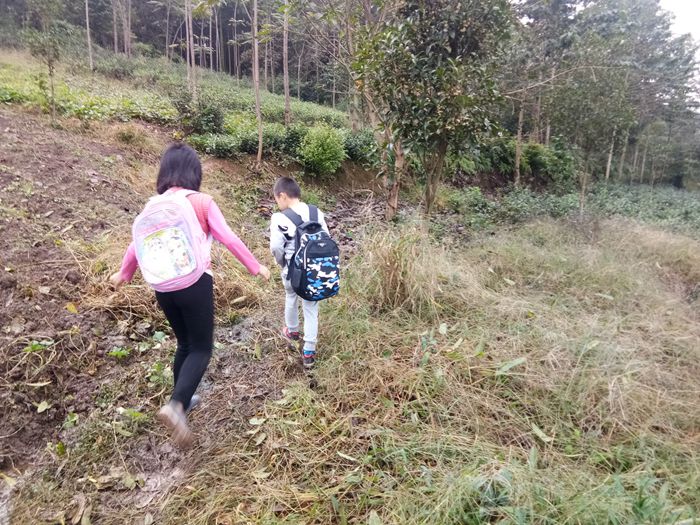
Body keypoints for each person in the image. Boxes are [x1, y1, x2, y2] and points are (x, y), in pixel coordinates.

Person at [110, 142, 271, 448]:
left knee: (184, 343)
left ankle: (182, 400)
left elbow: (135, 245)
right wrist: (255, 266)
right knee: (201, 348)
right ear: (194, 172)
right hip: (194, 282)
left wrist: (124, 274)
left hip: (162, 288)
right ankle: (176, 406)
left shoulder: (153, 205)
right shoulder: (201, 202)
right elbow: (229, 238)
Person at [269, 177, 330, 369]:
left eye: (277, 199)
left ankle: (293, 333)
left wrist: (282, 264)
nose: (278, 204)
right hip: (315, 270)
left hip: (292, 270)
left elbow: (276, 248)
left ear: (282, 195)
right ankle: (309, 351)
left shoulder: (279, 218)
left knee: (291, 297)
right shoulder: (316, 212)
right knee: (311, 307)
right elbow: (327, 239)